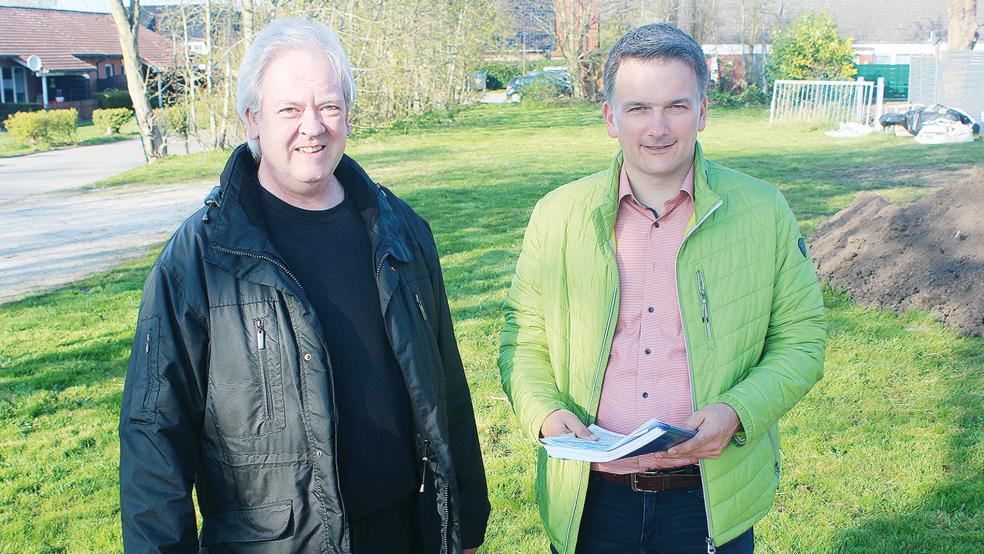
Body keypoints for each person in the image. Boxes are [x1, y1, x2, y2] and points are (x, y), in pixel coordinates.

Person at [119, 18, 489, 554]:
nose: (312, 127)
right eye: (289, 109)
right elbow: (154, 437)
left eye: (329, 107)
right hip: (276, 544)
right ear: (253, 120)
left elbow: (447, 387)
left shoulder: (402, 232)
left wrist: (465, 524)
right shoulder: (200, 260)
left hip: (405, 531)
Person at [499, 23, 826, 553]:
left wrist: (738, 411)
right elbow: (525, 337)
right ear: (609, 117)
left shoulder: (764, 213)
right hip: (590, 501)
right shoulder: (557, 217)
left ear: (702, 112)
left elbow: (802, 341)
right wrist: (543, 412)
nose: (657, 128)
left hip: (707, 500)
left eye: (676, 106)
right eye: (637, 108)